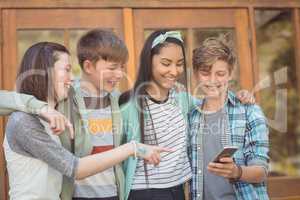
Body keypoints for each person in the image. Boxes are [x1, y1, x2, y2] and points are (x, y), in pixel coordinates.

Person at [2, 41, 168, 200]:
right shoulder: (23, 121)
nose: (71, 78)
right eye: (66, 70)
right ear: (45, 71)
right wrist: (133, 148)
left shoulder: (52, 115)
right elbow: (75, 168)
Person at [119, 30, 255, 200]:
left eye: (179, 64)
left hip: (178, 191)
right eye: (166, 63)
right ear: (149, 61)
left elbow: (213, 103)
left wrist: (240, 96)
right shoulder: (129, 109)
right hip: (144, 193)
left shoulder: (183, 100)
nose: (174, 71)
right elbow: (116, 156)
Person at [189, 35, 269, 200]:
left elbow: (261, 171)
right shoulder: (191, 115)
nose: (212, 80)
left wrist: (237, 172)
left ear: (230, 74)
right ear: (196, 74)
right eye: (205, 73)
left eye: (220, 73)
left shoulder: (250, 112)